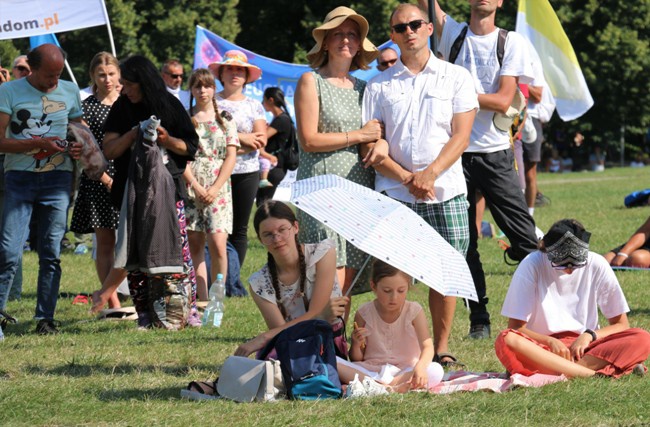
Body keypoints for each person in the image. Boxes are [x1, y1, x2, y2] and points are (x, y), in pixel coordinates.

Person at [362, 3, 477, 366]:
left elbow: (461, 137)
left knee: (447, 273)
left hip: (446, 189)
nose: (408, 31)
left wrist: (430, 174)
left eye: (414, 24)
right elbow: (371, 144)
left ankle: (440, 349)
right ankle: (393, 351)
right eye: (399, 28)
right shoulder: (377, 85)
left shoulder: (456, 77)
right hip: (394, 191)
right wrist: (409, 178)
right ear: (392, 35)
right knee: (394, 277)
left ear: (429, 28)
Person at [426, 0, 539, 339]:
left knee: (525, 239)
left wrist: (458, 93)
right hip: (455, 153)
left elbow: (505, 99)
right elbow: (427, 7)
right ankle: (479, 318)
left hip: (495, 153)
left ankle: (538, 312)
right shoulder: (454, 34)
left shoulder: (511, 41)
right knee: (464, 242)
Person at [100, 55, 199, 330]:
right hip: (131, 191)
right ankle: (144, 312)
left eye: (129, 85)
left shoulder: (170, 104)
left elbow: (191, 147)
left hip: (169, 189)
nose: (124, 89)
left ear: (143, 83)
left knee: (179, 250)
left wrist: (167, 139)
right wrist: (132, 135)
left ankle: (186, 310)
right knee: (135, 253)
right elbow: (109, 150)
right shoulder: (121, 107)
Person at [295, 6, 385, 296]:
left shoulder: (365, 87)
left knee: (349, 272)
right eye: (337, 34)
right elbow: (308, 139)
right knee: (328, 269)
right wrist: (359, 135)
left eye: (351, 34)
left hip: (359, 187)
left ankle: (338, 339)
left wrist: (380, 142)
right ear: (325, 41)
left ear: (359, 44)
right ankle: (320, 337)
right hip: (321, 187)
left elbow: (378, 133)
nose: (345, 40)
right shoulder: (311, 81)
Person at [495, 219, 650, 378]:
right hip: (542, 349)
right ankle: (596, 374)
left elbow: (621, 324)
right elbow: (515, 328)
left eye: (576, 265)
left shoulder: (597, 263)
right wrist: (550, 342)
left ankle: (564, 372)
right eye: (562, 266)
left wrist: (589, 335)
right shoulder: (531, 264)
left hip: (585, 348)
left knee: (642, 338)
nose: (569, 271)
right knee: (506, 339)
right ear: (547, 253)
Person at [0, 44, 83, 336]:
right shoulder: (8, 91)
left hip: (58, 180)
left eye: (59, 74)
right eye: (49, 75)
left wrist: (78, 145)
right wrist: (36, 145)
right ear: (32, 69)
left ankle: (45, 319)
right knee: (9, 251)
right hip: (19, 178)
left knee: (51, 253)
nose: (55, 81)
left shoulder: (70, 91)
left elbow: (79, 130)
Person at [234, 200, 348, 357]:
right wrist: (321, 316)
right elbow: (283, 338)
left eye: (282, 230)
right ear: (260, 239)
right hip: (294, 349)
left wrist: (265, 336)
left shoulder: (323, 253)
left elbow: (316, 315)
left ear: (295, 227)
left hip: (328, 346)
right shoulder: (259, 283)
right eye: (268, 234)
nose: (277, 238)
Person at [69, 52, 122, 309]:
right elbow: (85, 149)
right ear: (92, 77)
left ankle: (128, 294)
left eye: (111, 73)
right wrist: (106, 179)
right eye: (101, 75)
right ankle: (111, 302)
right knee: (106, 243)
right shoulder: (85, 107)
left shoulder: (130, 103)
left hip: (129, 178)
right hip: (98, 179)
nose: (107, 79)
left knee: (132, 241)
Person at [336, 260, 438, 392]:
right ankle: (387, 387)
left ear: (408, 286)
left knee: (435, 370)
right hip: (371, 370)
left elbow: (428, 347)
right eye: (387, 291)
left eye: (401, 291)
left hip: (405, 370)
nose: (394, 297)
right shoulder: (364, 313)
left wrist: (420, 367)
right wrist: (356, 344)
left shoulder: (414, 311)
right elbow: (357, 358)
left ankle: (377, 386)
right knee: (332, 361)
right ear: (373, 286)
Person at [183, 68, 239, 301]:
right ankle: (201, 298)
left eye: (206, 85)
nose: (202, 90)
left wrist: (215, 187)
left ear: (214, 89)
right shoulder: (185, 118)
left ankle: (217, 300)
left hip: (219, 187)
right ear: (192, 90)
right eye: (197, 86)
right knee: (195, 246)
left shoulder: (225, 118)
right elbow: (181, 156)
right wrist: (195, 185)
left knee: (218, 245)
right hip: (191, 186)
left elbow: (231, 156)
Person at [209, 50, 266, 268]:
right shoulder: (210, 102)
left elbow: (260, 141)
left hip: (247, 172)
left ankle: (234, 279)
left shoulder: (254, 105)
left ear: (246, 76)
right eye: (230, 68)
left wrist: (229, 141)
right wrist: (243, 138)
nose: (235, 73)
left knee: (239, 228)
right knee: (215, 227)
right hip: (215, 173)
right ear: (221, 74)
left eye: (239, 69)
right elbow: (209, 139)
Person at [256, 87, 294, 205]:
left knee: (263, 203)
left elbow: (262, 137)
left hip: (274, 166)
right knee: (263, 201)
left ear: (271, 100)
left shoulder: (281, 120)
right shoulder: (281, 119)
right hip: (275, 166)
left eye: (264, 100)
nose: (263, 104)